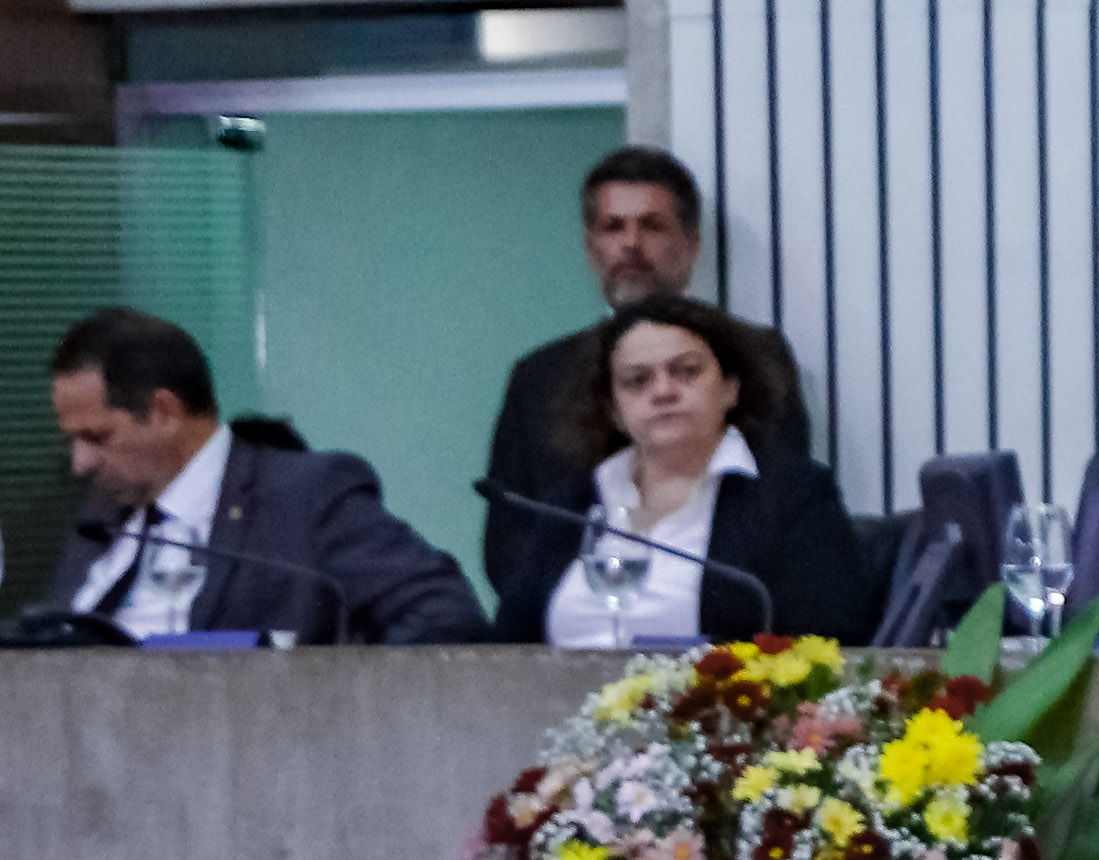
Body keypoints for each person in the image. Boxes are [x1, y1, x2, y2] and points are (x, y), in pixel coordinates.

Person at [481, 146, 813, 634]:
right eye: (613, 228)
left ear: (691, 242)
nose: (631, 244)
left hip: (719, 636)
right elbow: (509, 542)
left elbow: (786, 505)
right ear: (591, 247)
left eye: (652, 226)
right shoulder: (541, 375)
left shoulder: (755, 354)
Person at [37, 307, 487, 644]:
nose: (81, 463)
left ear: (164, 412)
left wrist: (327, 694)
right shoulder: (103, 517)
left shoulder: (304, 496)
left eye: (97, 437)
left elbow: (445, 613)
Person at [494, 294, 881, 646]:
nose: (663, 391)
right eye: (637, 381)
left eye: (686, 372)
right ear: (613, 410)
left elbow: (830, 638)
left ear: (730, 388)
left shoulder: (791, 494)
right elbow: (506, 647)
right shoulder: (573, 503)